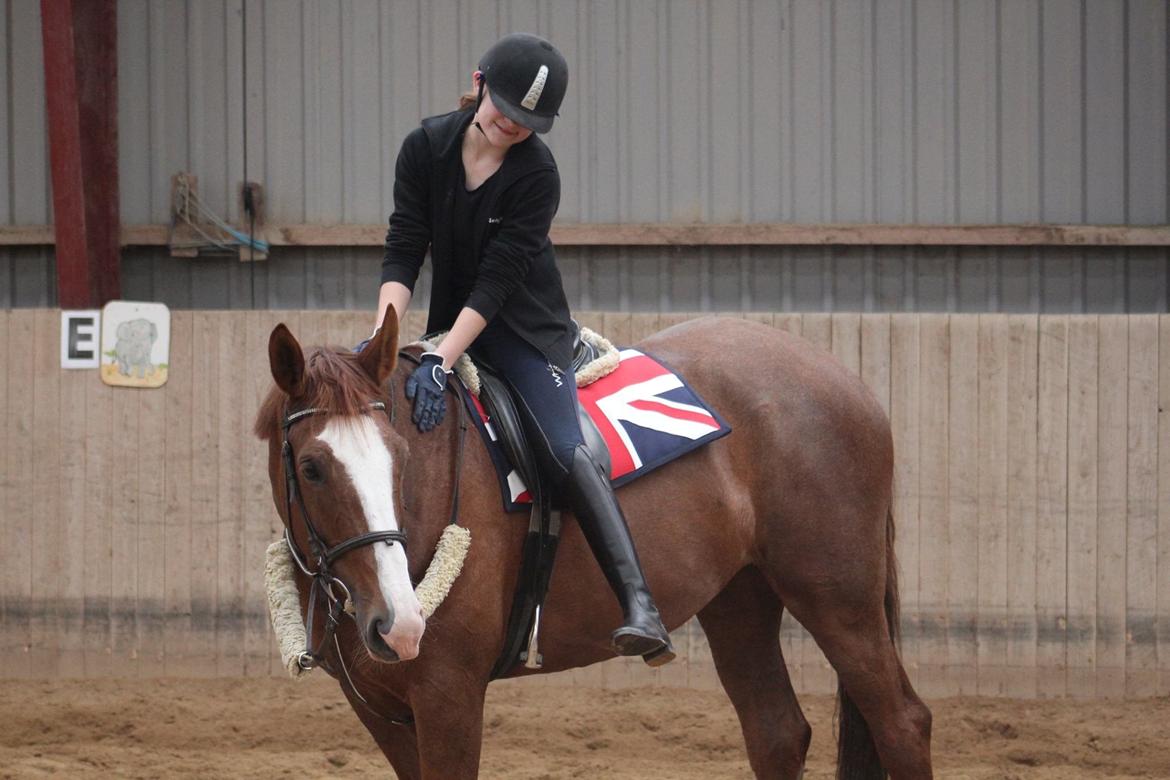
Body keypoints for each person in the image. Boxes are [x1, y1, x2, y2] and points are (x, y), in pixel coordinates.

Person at [374, 32, 673, 666]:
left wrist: (442, 356)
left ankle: (639, 602)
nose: (511, 124)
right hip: (446, 325)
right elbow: (405, 245)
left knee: (565, 451)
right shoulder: (425, 147)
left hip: (525, 334)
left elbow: (499, 279)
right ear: (479, 81)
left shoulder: (537, 173)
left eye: (527, 121)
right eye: (504, 107)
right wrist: (386, 338)